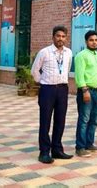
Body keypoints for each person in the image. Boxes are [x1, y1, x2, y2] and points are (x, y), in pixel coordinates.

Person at [31, 25, 73, 164]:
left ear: (66, 38)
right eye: (58, 36)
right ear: (53, 37)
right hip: (47, 89)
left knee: (60, 120)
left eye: (63, 36)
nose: (60, 39)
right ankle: (44, 152)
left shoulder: (68, 52)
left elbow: (66, 69)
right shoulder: (44, 52)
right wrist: (42, 82)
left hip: (62, 89)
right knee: (45, 121)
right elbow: (35, 70)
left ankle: (57, 149)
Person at [74, 31, 97, 158]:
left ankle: (89, 143)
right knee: (84, 119)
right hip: (86, 91)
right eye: (91, 40)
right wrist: (85, 91)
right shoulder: (81, 56)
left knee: (94, 120)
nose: (94, 42)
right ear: (86, 42)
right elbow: (79, 75)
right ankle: (80, 147)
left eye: (96, 40)